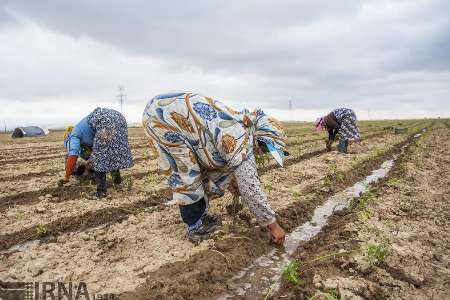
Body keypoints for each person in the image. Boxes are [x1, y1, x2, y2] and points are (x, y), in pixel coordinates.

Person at [143, 92, 287, 243]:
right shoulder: (240, 137)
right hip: (164, 118)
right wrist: (273, 226)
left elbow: (210, 157)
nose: (263, 152)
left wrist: (229, 181)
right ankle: (194, 226)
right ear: (261, 136)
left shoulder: (241, 127)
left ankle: (202, 217)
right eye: (266, 148)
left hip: (172, 117)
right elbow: (251, 188)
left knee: (198, 169)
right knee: (187, 173)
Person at [59, 108, 134, 198]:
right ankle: (118, 185)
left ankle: (101, 192)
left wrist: (67, 176)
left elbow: (73, 155)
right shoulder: (82, 131)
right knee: (110, 154)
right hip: (119, 118)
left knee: (100, 156)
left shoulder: (73, 136)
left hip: (104, 120)